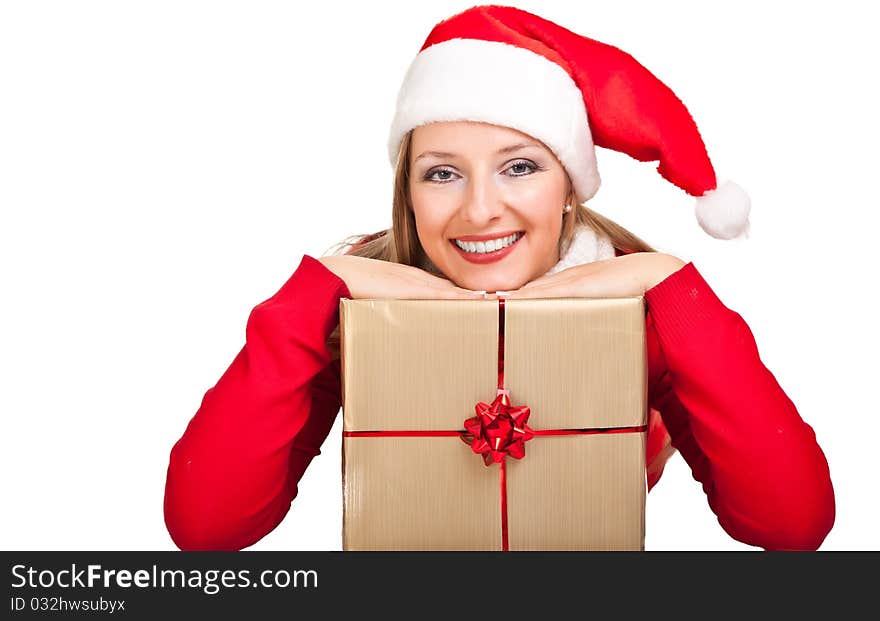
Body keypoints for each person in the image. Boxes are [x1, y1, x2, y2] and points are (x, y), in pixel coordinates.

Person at [163, 4, 835, 551]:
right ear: (409, 192)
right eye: (442, 172)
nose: (480, 208)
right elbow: (207, 529)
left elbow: (791, 526)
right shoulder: (356, 312)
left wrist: (674, 288)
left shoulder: (643, 313)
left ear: (569, 189)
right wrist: (316, 291)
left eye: (519, 166)